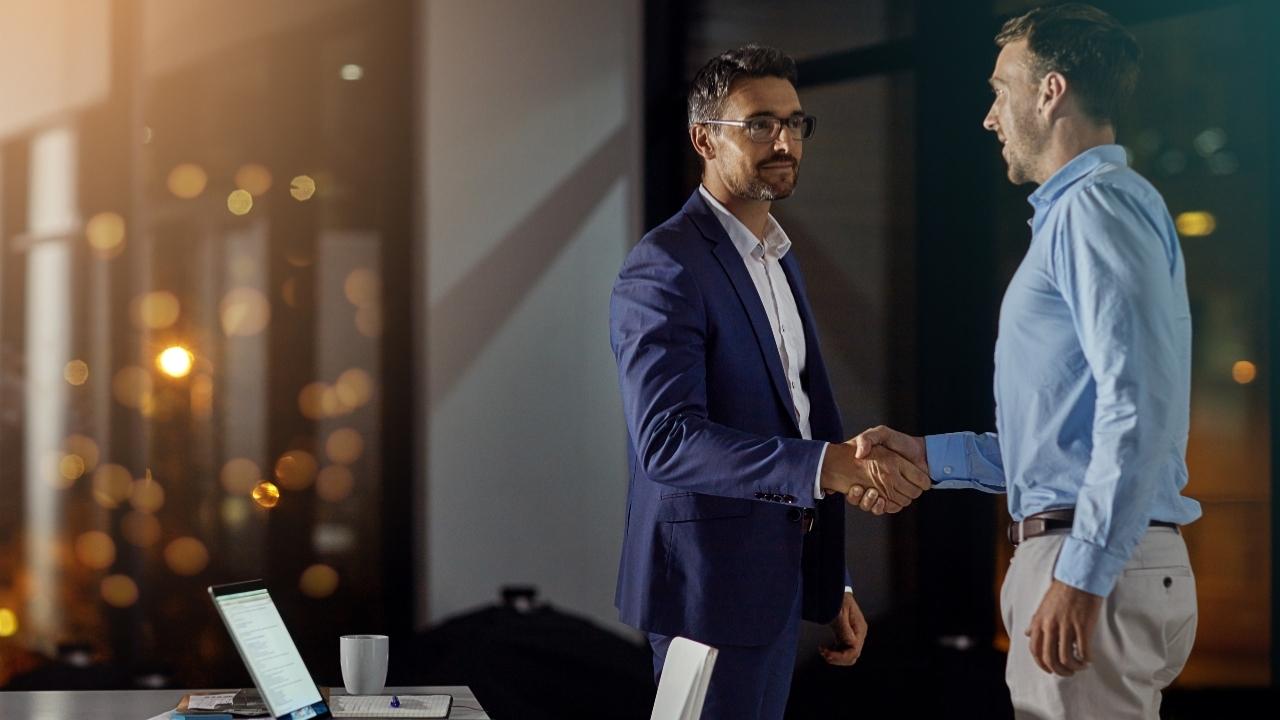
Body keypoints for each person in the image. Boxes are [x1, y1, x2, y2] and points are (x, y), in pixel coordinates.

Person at [851, 5, 1200, 719]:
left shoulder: (1093, 209)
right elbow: (1063, 442)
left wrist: (1083, 574)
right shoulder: (1085, 214)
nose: (989, 117)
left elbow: (1137, 402)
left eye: (1000, 91)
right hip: (1090, 551)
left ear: (1051, 92)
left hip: (1089, 556)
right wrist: (930, 458)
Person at [609, 45, 930, 719]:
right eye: (759, 124)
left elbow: (798, 419)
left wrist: (833, 580)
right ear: (704, 138)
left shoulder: (778, 258)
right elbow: (667, 442)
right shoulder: (665, 265)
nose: (784, 141)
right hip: (706, 595)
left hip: (778, 585)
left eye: (794, 123)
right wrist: (827, 467)